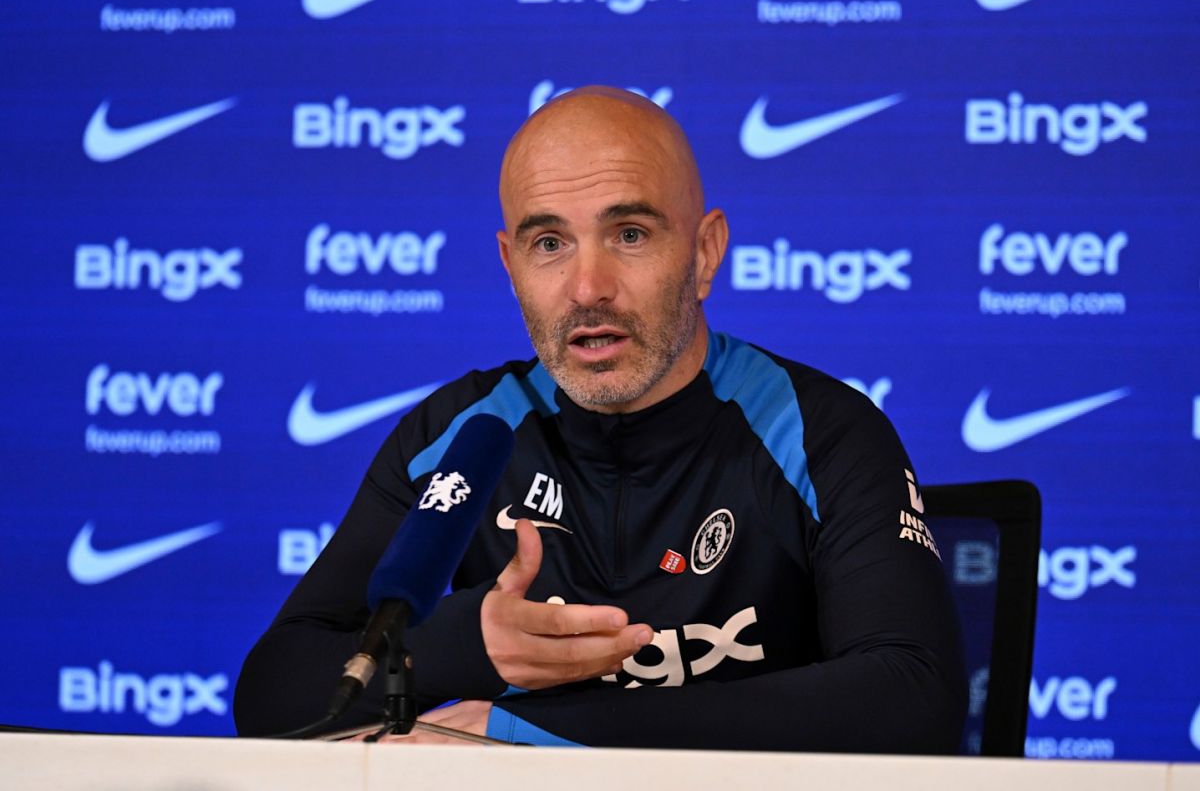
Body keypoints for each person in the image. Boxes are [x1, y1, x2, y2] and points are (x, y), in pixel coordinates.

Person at [234, 86, 966, 751]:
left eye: (630, 233)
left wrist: (534, 731)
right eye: (549, 244)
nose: (588, 288)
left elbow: (914, 696)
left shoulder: (816, 428)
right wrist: (464, 645)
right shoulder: (462, 434)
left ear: (705, 253)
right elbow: (273, 694)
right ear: (511, 266)